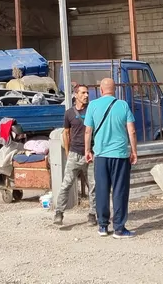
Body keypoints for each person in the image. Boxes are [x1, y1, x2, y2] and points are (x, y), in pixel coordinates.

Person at [83, 77, 138, 239]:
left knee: (101, 190)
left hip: (100, 155)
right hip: (120, 155)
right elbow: (132, 131)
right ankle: (119, 228)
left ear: (100, 90)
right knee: (120, 191)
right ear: (115, 90)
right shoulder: (123, 105)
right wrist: (134, 151)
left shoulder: (92, 105)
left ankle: (102, 226)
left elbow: (88, 131)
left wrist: (87, 150)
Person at [53, 84, 97, 226]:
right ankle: (59, 213)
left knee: (93, 186)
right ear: (76, 95)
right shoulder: (69, 113)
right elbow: (66, 133)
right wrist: (67, 152)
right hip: (74, 153)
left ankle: (92, 214)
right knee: (66, 185)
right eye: (83, 93)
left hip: (90, 154)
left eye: (87, 93)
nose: (86, 95)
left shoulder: (92, 110)